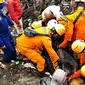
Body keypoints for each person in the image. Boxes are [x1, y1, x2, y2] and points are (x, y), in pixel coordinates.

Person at [58, 0, 85, 66]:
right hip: (79, 41)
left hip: (79, 42)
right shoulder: (76, 16)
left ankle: (80, 67)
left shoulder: (71, 17)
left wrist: (63, 44)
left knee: (80, 55)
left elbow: (69, 35)